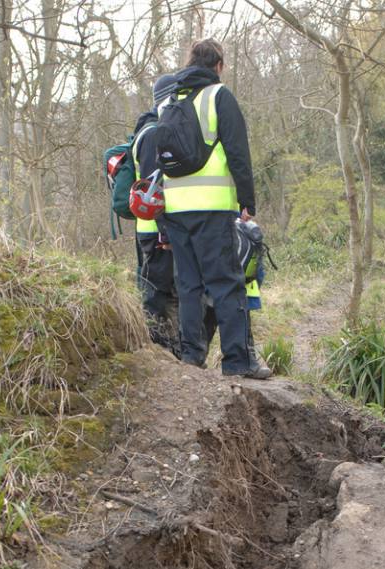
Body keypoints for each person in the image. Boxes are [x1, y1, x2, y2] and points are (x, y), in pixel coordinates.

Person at [159, 38, 271, 379]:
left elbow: (157, 159)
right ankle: (237, 361)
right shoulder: (218, 96)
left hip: (175, 208)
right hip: (212, 207)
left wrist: (162, 215)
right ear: (218, 65)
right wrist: (247, 200)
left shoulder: (169, 101)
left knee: (189, 285)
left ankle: (192, 358)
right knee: (225, 282)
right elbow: (238, 151)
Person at [132, 74, 180, 357]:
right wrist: (165, 232)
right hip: (155, 232)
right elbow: (153, 189)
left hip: (155, 228)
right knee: (157, 294)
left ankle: (170, 353)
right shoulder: (152, 135)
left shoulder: (151, 131)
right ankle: (161, 354)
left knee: (165, 292)